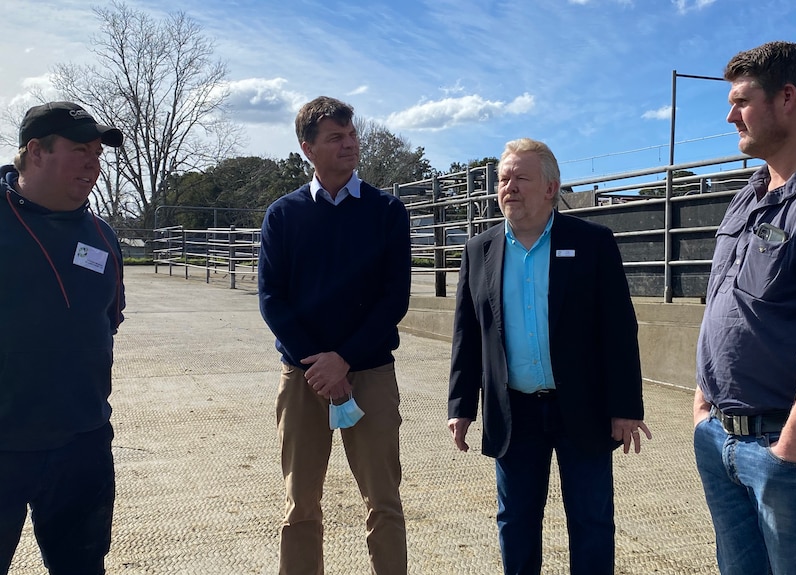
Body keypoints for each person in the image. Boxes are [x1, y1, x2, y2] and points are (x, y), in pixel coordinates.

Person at [694, 41, 796, 575]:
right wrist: (705, 409)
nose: (729, 114)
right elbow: (723, 303)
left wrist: (791, 450)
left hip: (793, 451)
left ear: (788, 97)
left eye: (742, 100)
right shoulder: (749, 195)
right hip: (723, 437)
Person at [447, 137, 651, 575]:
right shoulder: (479, 250)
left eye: (521, 177)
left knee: (592, 521)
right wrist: (461, 407)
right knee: (516, 521)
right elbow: (467, 335)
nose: (509, 187)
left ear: (550, 187)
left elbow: (618, 329)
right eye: (503, 178)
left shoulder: (593, 243)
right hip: (513, 411)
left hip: (583, 408)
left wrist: (625, 406)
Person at [258, 96, 411, 575]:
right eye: (335, 138)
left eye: (351, 135)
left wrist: (343, 359)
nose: (349, 145)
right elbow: (271, 299)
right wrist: (317, 362)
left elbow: (394, 300)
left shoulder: (387, 211)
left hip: (370, 374)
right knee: (300, 503)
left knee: (384, 501)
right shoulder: (283, 216)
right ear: (308, 148)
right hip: (304, 379)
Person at [0, 101, 126, 574]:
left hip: (82, 442)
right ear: (35, 151)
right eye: (80, 150)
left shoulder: (102, 236)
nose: (94, 163)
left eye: (97, 152)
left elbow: (106, 322)